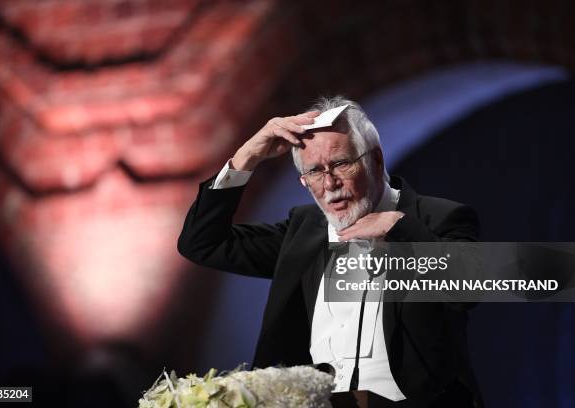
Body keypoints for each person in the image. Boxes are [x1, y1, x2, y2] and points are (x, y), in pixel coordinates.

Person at [178, 96, 483, 407]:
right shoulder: (304, 229)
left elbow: (467, 287)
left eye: (340, 164)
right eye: (313, 172)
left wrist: (400, 228)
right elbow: (202, 242)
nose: (329, 183)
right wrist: (246, 158)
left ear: (375, 160)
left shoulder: (438, 218)